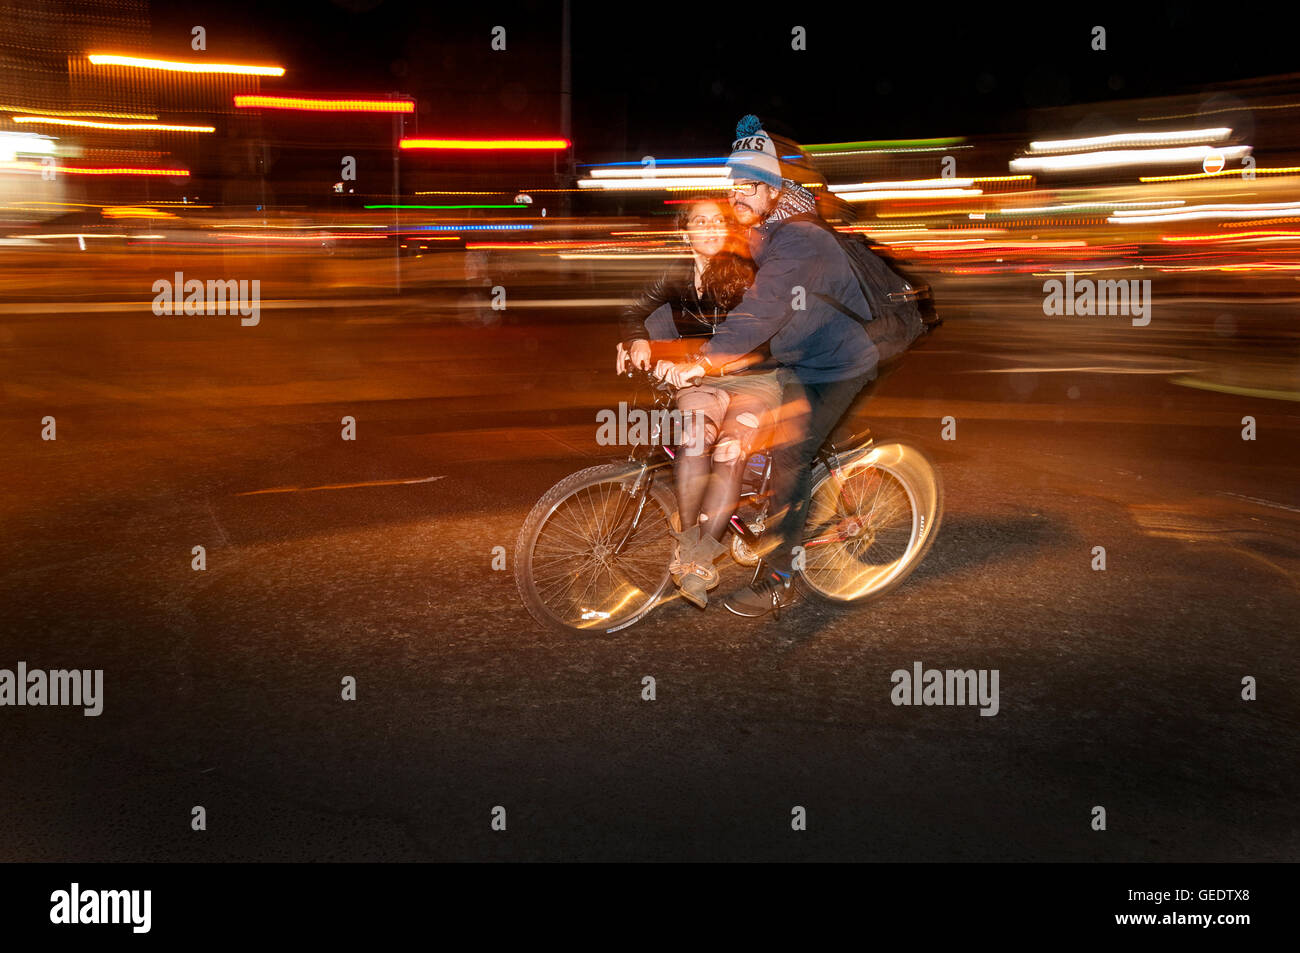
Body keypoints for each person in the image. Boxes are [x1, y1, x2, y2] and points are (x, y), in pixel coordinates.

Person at [655, 116, 880, 618]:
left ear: (775, 190)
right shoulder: (761, 231)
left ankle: (782, 576)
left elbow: (764, 308)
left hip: (836, 364)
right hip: (795, 359)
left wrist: (707, 362)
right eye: (733, 184)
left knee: (791, 457)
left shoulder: (800, 238)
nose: (738, 194)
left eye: (750, 185)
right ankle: (757, 516)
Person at [615, 198, 782, 609]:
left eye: (717, 222)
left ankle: (704, 555)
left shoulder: (750, 273)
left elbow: (763, 342)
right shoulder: (676, 274)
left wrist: (700, 365)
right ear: (685, 230)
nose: (709, 228)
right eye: (699, 221)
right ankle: (690, 550)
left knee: (728, 452)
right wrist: (636, 339)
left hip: (755, 380)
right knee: (693, 440)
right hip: (701, 380)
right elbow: (633, 308)